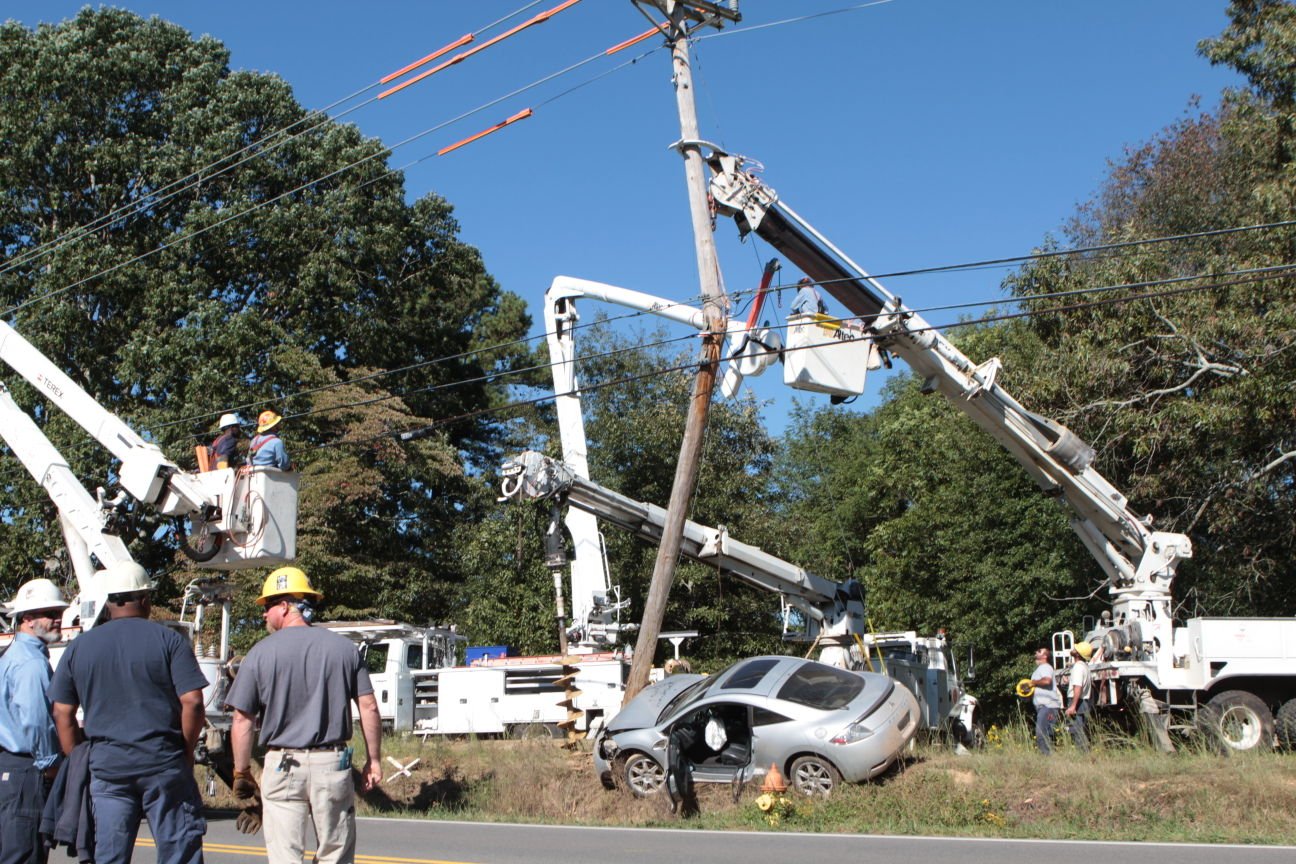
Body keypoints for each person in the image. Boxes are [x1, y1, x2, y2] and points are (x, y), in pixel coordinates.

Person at [47, 562, 208, 864]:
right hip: (162, 763)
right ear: (145, 601)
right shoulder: (169, 640)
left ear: (108, 603)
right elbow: (194, 702)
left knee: (109, 856)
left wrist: (77, 756)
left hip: (108, 768)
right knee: (179, 854)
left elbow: (61, 711)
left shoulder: (80, 647)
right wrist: (184, 751)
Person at [224, 567, 382, 864]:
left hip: (282, 766)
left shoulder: (258, 654)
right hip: (331, 764)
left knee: (286, 857)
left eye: (268, 606)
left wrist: (242, 772)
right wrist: (374, 760)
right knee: (334, 854)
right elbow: (369, 707)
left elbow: (242, 720)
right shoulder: (345, 650)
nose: (263, 614)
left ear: (284, 606)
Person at [0, 579, 68, 864]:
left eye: (58, 613)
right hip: (26, 771)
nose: (57, 619)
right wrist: (51, 767)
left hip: (10, 767)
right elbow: (37, 723)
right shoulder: (31, 663)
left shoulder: (11, 656)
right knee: (25, 852)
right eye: (49, 614)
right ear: (27, 619)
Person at [1030, 647, 1061, 755]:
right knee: (1047, 733)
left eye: (1039, 651)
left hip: (1048, 706)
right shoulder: (1039, 669)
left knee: (1041, 733)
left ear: (1045, 656)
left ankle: (1047, 757)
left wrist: (1033, 683)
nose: (1036, 652)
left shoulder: (1045, 667)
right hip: (1044, 707)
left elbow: (1047, 680)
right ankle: (1051, 758)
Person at [1065, 641, 1094, 752]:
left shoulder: (1078, 667)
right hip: (1083, 702)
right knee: (1080, 729)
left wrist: (1073, 706)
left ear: (1078, 654)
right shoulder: (1084, 667)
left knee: (1077, 730)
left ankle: (1083, 755)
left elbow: (1078, 687)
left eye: (1076, 649)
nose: (1073, 649)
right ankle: (1084, 754)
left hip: (1078, 702)